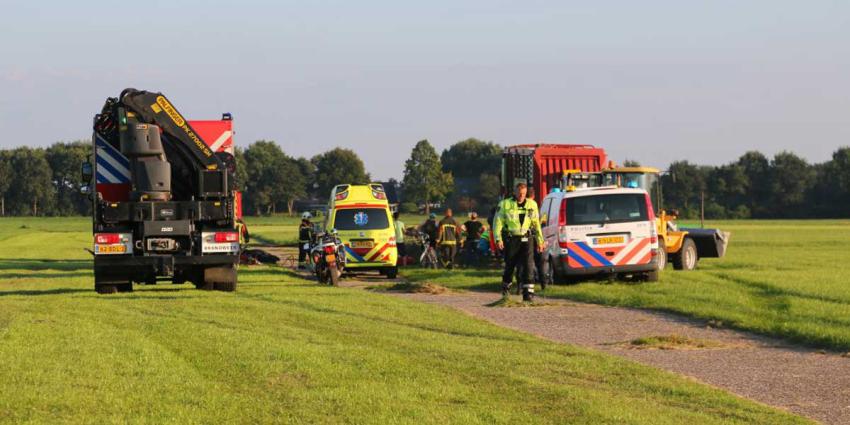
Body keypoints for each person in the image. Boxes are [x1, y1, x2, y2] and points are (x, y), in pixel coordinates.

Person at [493, 182, 545, 301]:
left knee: (528, 265)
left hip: (527, 238)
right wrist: (498, 238)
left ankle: (528, 293)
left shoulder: (532, 205)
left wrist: (540, 241)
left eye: (523, 193)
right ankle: (506, 287)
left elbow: (536, 224)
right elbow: (498, 223)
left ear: (526, 193)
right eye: (519, 193)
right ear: (515, 192)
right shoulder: (505, 204)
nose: (521, 196)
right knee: (510, 265)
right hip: (512, 239)